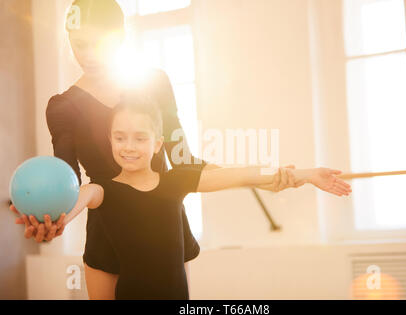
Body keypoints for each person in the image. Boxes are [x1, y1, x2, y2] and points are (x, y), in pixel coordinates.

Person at [9, 0, 302, 299]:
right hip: (109, 233)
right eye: (79, 44)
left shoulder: (155, 83)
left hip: (165, 224)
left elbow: (183, 160)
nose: (87, 55)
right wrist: (50, 220)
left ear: (120, 38)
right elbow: (68, 186)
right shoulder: (62, 107)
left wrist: (263, 178)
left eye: (99, 44)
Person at [63, 95, 352, 299]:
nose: (129, 146)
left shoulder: (175, 181)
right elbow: (76, 199)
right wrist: (54, 219)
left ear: (157, 144)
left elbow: (242, 174)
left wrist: (308, 173)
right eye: (120, 137)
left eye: (140, 138)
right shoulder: (102, 189)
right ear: (109, 139)